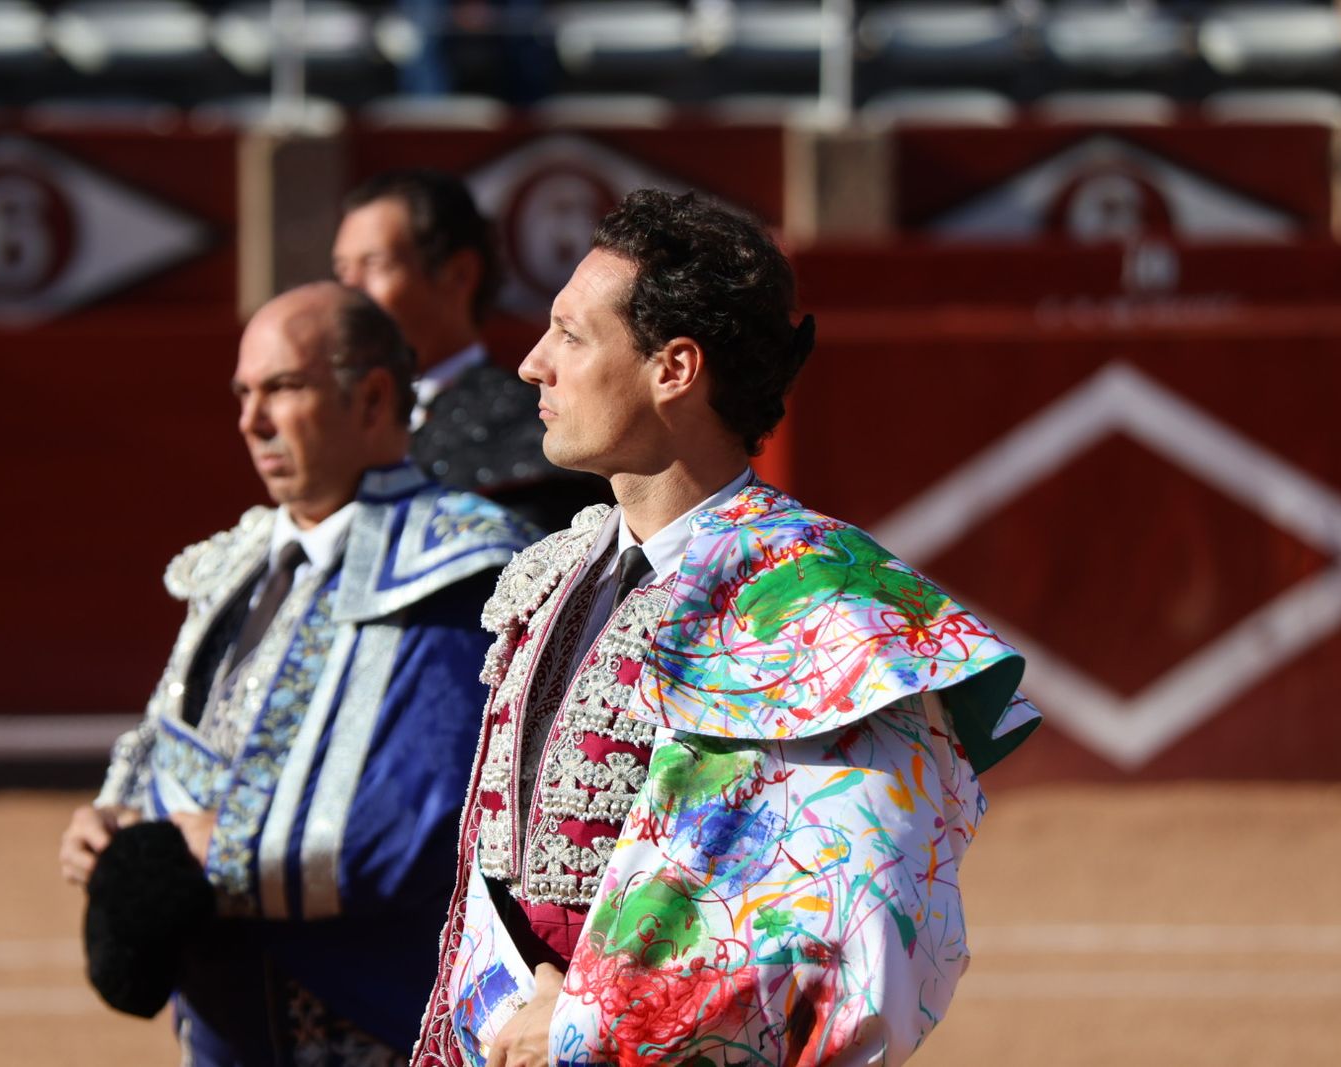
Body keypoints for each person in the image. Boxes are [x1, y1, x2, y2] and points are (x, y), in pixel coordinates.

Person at [412, 191, 1043, 1067]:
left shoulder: (821, 603)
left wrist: (586, 1018)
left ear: (674, 368)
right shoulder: (552, 573)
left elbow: (861, 921)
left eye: (570, 335)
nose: (531, 364)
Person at [58, 282, 533, 1066]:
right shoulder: (239, 561)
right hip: (228, 1023)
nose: (251, 420)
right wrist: (118, 823)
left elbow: (421, 813)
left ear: (371, 397)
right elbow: (170, 732)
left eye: (281, 388)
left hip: (373, 1021)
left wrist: (209, 844)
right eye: (243, 393)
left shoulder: (460, 568)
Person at [333, 168, 606, 533]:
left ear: (459, 274)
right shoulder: (333, 418)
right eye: (342, 271)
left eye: (374, 265)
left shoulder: (528, 426)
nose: (349, 292)